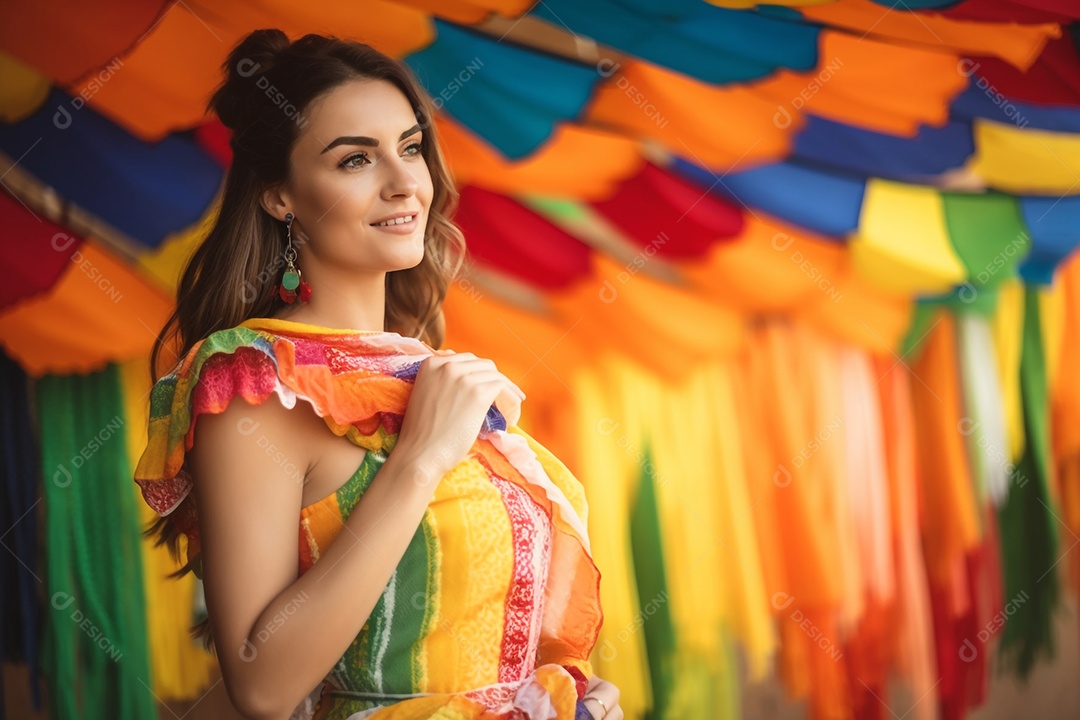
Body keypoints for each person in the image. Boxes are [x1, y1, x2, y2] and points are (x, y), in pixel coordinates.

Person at [132, 28, 622, 720]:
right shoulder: (256, 383)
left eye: (411, 147)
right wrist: (419, 461)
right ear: (279, 196)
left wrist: (555, 697)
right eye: (356, 159)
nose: (404, 183)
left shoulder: (423, 372)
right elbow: (262, 687)